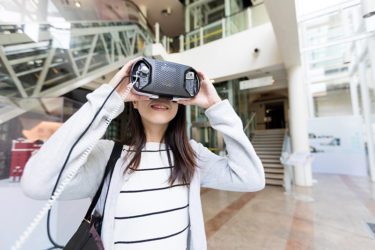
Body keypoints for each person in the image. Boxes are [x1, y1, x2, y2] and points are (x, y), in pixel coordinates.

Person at [21, 57, 265, 250]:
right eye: (153, 88)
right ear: (134, 100)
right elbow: (37, 184)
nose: (161, 97)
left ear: (180, 102)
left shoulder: (191, 155)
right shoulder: (109, 156)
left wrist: (215, 105)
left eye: (170, 92)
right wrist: (110, 97)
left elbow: (251, 178)